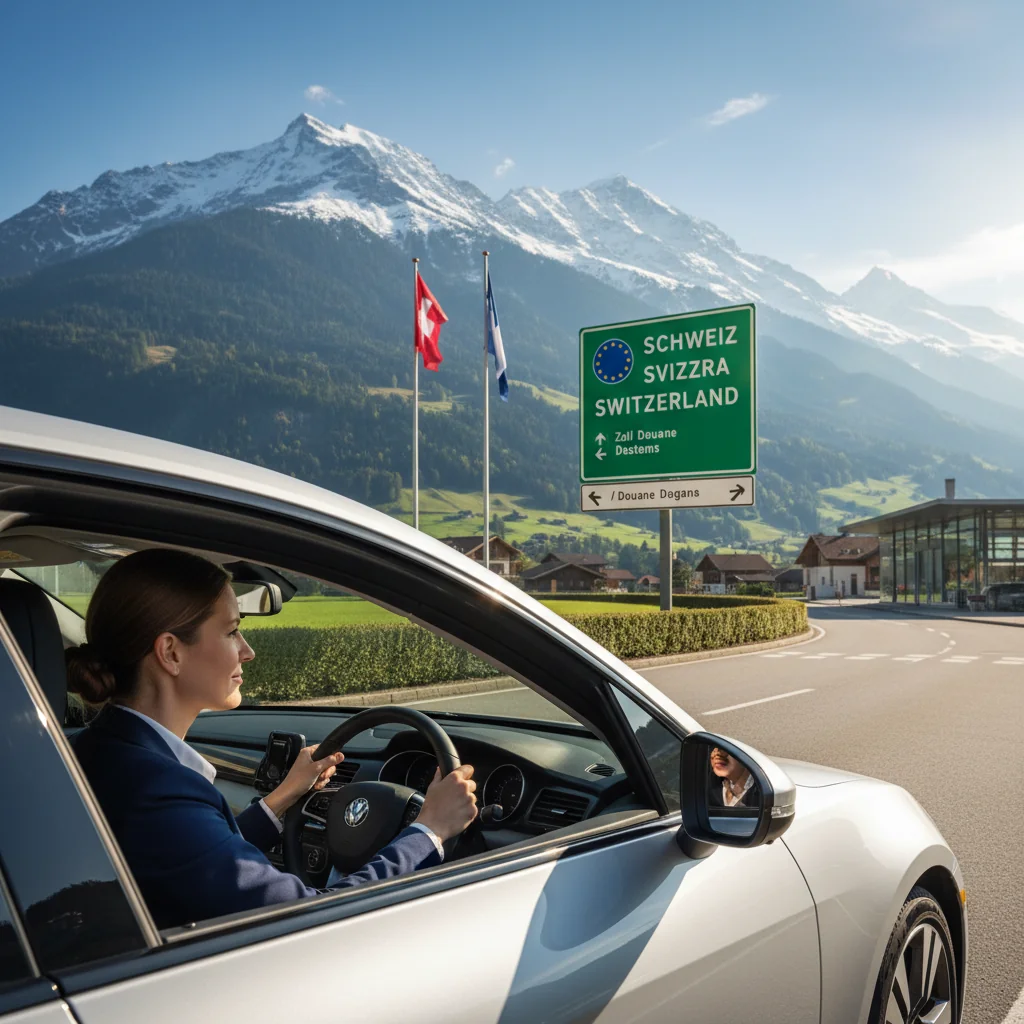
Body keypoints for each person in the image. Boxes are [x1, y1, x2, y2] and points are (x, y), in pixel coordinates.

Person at [69, 548, 478, 930]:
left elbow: (196, 857)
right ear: (171, 653)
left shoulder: (99, 751)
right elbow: (312, 918)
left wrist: (282, 797)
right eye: (232, 632)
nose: (247, 652)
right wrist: (430, 831)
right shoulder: (158, 791)